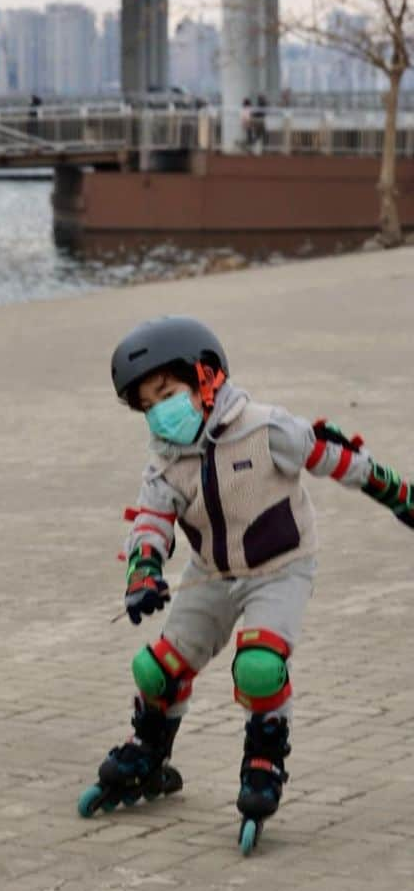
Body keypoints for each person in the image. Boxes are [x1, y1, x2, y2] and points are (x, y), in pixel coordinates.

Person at [78, 316, 414, 854]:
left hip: (280, 567)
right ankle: (149, 752)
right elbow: (151, 521)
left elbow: (335, 456)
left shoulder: (265, 427)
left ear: (205, 377)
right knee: (156, 668)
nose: (158, 411)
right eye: (146, 405)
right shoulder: (165, 459)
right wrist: (142, 573)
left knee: (259, 665)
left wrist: (397, 495)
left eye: (166, 393)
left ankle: (264, 760)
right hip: (211, 573)